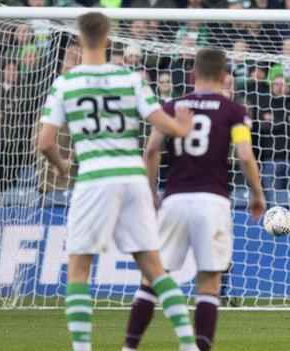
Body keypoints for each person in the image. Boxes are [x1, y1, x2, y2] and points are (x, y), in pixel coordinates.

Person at [37, 12, 198, 351]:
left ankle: (82, 348)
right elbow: (163, 124)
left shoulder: (66, 83)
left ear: (79, 41)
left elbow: (46, 143)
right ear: (109, 41)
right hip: (133, 179)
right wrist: (182, 128)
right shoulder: (131, 79)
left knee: (80, 269)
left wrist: (62, 166)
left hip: (95, 179)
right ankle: (187, 343)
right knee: (154, 268)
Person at [127, 48, 266, 351]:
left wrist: (151, 195)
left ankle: (129, 347)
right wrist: (257, 193)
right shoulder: (233, 110)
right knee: (208, 283)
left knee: (153, 277)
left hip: (175, 199)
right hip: (213, 201)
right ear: (223, 77)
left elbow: (150, 151)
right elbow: (244, 155)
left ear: (192, 76)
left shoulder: (171, 106)